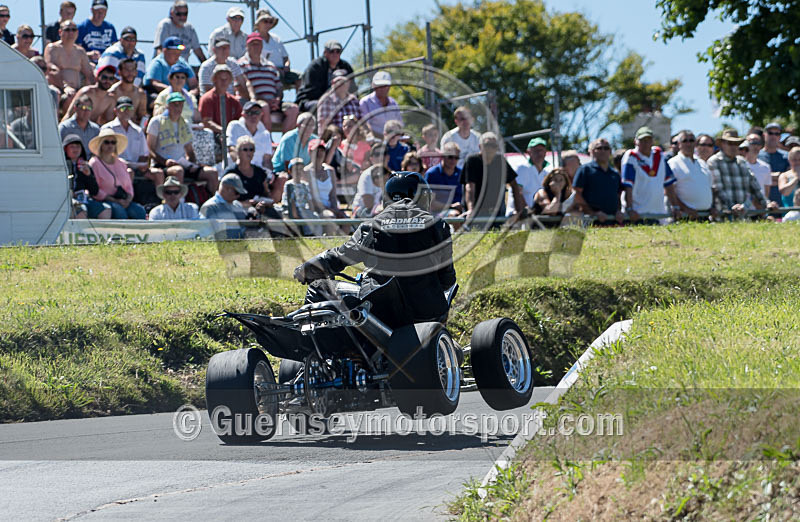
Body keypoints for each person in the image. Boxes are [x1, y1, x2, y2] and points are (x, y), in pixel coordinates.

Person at [293, 171, 456, 323]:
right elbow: (448, 280)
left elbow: (338, 257)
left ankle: (316, 345)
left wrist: (306, 269)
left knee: (318, 288)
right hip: (428, 312)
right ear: (423, 198)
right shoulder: (438, 226)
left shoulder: (371, 226)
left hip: (381, 313)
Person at [147, 91, 218, 192]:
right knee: (178, 171)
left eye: (180, 104)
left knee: (212, 173)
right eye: (174, 104)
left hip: (182, 164)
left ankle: (211, 203)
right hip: (162, 165)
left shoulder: (185, 124)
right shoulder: (156, 122)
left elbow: (189, 151)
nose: (178, 108)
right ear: (168, 106)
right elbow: (150, 149)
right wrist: (165, 161)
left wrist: (192, 164)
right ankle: (178, 203)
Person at [708, 129, 778, 217]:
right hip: (722, 215)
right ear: (722, 144)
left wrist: (767, 203)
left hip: (742, 215)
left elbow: (754, 186)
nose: (733, 146)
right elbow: (717, 188)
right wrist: (731, 207)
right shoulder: (714, 161)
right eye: (730, 143)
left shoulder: (742, 162)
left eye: (736, 144)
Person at [238, 32, 299, 131]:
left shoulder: (270, 65)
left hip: (274, 102)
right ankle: (268, 141)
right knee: (264, 107)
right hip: (254, 101)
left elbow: (279, 86)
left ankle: (284, 143)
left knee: (293, 109)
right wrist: (264, 100)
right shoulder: (241, 64)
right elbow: (243, 88)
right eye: (253, 44)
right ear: (247, 46)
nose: (256, 47)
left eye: (258, 44)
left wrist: (277, 99)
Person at [621, 126, 682, 223]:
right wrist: (629, 208)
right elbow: (628, 185)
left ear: (652, 141)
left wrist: (675, 206)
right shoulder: (631, 156)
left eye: (648, 140)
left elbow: (668, 183)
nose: (645, 143)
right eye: (642, 140)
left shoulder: (659, 155)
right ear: (635, 141)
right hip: (638, 214)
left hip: (659, 213)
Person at [102, 96, 164, 191]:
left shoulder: (138, 130)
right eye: (123, 108)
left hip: (137, 168)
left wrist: (142, 166)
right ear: (116, 111)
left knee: (158, 173)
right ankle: (127, 200)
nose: (126, 111)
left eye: (129, 108)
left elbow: (144, 154)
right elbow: (104, 153)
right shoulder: (108, 129)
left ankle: (162, 201)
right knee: (129, 172)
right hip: (115, 167)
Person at [462, 132, 525, 221]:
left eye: (494, 145)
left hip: (497, 211)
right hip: (477, 212)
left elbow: (514, 185)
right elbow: (469, 187)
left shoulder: (500, 161)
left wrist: (519, 210)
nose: (491, 148)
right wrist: (471, 210)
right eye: (488, 145)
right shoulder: (472, 161)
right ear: (480, 147)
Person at [87, 128, 147, 219]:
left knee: (140, 211)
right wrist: (114, 200)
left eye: (113, 142)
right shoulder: (94, 163)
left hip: (123, 199)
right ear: (100, 145)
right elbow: (94, 189)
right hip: (105, 200)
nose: (110, 145)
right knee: (120, 212)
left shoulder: (121, 163)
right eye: (106, 142)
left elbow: (129, 186)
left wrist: (128, 200)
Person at [224, 136, 282, 219]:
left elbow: (266, 193)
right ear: (238, 151)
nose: (249, 152)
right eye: (245, 149)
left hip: (261, 209)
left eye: (251, 149)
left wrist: (265, 203)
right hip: (238, 210)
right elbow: (225, 198)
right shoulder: (231, 172)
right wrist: (244, 203)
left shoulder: (260, 172)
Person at [570, 138, 623, 224]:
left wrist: (618, 211)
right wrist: (592, 213)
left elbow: (618, 195)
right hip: (590, 221)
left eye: (606, 148)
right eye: (599, 148)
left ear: (610, 152)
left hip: (613, 221)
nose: (603, 150)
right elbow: (576, 194)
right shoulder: (585, 170)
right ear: (591, 151)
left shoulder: (615, 173)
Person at [296, 40, 354, 113]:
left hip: (338, 100)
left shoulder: (345, 67)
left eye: (338, 51)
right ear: (325, 53)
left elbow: (352, 87)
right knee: (324, 106)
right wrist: (330, 100)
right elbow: (312, 91)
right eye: (332, 51)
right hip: (311, 101)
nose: (335, 54)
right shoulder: (315, 67)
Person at [62, 133, 112, 219]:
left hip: (84, 200)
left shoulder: (85, 165)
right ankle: (79, 233)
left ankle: (100, 232)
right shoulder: (61, 165)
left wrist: (88, 175)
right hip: (67, 201)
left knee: (105, 209)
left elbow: (94, 191)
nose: (75, 149)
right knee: (81, 210)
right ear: (65, 149)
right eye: (72, 147)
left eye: (78, 147)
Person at [667, 130, 714, 219]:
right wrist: (685, 209)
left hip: (705, 215)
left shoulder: (702, 163)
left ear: (695, 143)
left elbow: (710, 188)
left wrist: (712, 206)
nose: (688, 144)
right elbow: (669, 191)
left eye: (691, 140)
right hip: (685, 216)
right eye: (685, 141)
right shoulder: (673, 163)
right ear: (679, 144)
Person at [45, 19, 95, 91]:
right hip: (59, 89)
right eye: (67, 30)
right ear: (60, 32)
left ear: (77, 32)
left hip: (77, 90)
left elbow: (89, 74)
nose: (71, 32)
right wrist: (65, 87)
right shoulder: (53, 48)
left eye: (73, 30)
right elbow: (51, 70)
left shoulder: (80, 51)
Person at [306, 139, 347, 226]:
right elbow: (311, 200)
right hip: (314, 209)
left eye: (322, 150)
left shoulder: (330, 171)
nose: (319, 153)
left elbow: (333, 196)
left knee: (346, 221)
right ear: (310, 153)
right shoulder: (305, 172)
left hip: (330, 209)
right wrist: (332, 211)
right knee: (330, 217)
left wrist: (336, 210)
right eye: (317, 151)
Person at [227, 100, 273, 170]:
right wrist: (243, 169)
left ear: (261, 114)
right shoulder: (234, 126)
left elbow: (267, 160)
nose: (254, 116)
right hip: (237, 170)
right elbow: (231, 149)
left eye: (257, 112)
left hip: (259, 174)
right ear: (243, 114)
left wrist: (268, 175)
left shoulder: (266, 134)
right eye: (250, 112)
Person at [282, 158, 322, 236]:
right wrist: (295, 215)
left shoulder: (304, 185)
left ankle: (318, 235)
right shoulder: (289, 184)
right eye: (295, 169)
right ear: (290, 171)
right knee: (304, 216)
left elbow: (309, 200)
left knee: (315, 216)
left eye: (300, 169)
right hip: (292, 210)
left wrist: (311, 211)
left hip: (303, 209)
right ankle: (308, 234)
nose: (298, 172)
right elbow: (291, 201)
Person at [200, 173, 248, 238]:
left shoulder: (238, 205)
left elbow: (244, 229)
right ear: (226, 188)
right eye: (237, 192)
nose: (238, 196)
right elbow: (210, 236)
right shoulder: (209, 207)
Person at [198, 64, 242, 135]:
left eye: (226, 79)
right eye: (221, 79)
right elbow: (206, 122)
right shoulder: (207, 98)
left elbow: (239, 120)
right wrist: (224, 131)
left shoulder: (234, 101)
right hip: (215, 136)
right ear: (214, 80)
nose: (224, 82)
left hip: (231, 135)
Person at [358, 71, 402, 139]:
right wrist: (384, 138)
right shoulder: (365, 102)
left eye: (384, 86)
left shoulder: (393, 103)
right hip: (374, 143)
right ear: (374, 86)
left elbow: (400, 124)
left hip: (393, 142)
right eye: (379, 86)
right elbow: (366, 126)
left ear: (389, 87)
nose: (382, 89)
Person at [512, 137, 551, 212]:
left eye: (541, 150)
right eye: (536, 150)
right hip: (520, 216)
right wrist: (527, 211)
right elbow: (517, 192)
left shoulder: (547, 173)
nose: (539, 153)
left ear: (545, 152)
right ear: (528, 152)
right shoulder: (522, 169)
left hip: (537, 217)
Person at [352, 143, 391, 217]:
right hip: (363, 211)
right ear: (371, 158)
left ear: (388, 157)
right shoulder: (367, 175)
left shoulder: (393, 175)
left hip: (384, 212)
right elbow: (368, 204)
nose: (381, 157)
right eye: (377, 154)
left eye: (383, 153)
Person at [425, 141, 463, 216]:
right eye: (450, 157)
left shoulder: (461, 173)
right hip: (434, 214)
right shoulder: (432, 174)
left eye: (456, 158)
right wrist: (451, 206)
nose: (453, 160)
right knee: (455, 215)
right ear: (442, 156)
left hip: (458, 212)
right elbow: (429, 202)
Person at [107, 58, 148, 123]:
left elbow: (142, 116)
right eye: (126, 69)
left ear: (136, 72)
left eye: (132, 70)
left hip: (133, 129)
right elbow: (108, 117)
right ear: (119, 72)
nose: (130, 73)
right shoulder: (112, 92)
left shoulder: (141, 94)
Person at [759, 122, 790, 205]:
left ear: (779, 137)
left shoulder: (787, 156)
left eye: (777, 134)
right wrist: (779, 177)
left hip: (784, 204)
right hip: (763, 204)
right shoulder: (757, 156)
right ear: (764, 135)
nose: (773, 136)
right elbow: (756, 177)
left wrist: (766, 178)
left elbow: (790, 177)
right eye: (770, 133)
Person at [253, 8, 289, 76]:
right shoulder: (254, 40)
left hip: (282, 70)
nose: (268, 24)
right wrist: (275, 69)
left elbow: (286, 57)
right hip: (265, 72)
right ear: (259, 23)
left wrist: (286, 66)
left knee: (300, 77)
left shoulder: (276, 38)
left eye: (270, 21)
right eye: (265, 21)